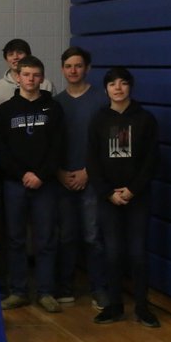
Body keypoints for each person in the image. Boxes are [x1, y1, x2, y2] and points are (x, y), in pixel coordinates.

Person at [88, 67, 160, 328]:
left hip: (137, 197)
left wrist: (132, 190)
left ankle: (142, 307)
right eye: (112, 84)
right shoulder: (98, 120)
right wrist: (108, 192)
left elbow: (151, 161)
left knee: (138, 253)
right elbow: (92, 161)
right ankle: (115, 305)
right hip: (109, 199)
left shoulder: (145, 119)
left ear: (130, 87)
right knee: (113, 253)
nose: (118, 88)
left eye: (123, 83)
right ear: (106, 88)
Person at [0, 56, 64, 313]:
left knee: (45, 239)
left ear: (42, 78)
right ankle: (19, 291)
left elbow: (58, 147)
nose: (31, 79)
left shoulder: (53, 109)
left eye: (36, 75)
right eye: (26, 75)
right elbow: (1, 150)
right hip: (14, 183)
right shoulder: (6, 109)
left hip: (45, 184)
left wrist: (41, 175)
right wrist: (22, 173)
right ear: (18, 77)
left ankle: (46, 292)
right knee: (15, 239)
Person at [55, 46, 109, 307]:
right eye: (68, 66)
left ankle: (100, 288)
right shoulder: (57, 103)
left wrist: (88, 172)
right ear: (63, 69)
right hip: (63, 178)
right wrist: (60, 172)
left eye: (78, 66)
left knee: (92, 235)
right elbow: (50, 144)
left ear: (87, 68)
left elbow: (105, 143)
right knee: (66, 235)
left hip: (91, 179)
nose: (73, 71)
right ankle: (65, 286)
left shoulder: (101, 100)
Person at [0, 38, 54, 105]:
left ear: (28, 56)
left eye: (20, 53)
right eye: (11, 54)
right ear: (6, 59)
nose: (15, 57)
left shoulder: (46, 84)